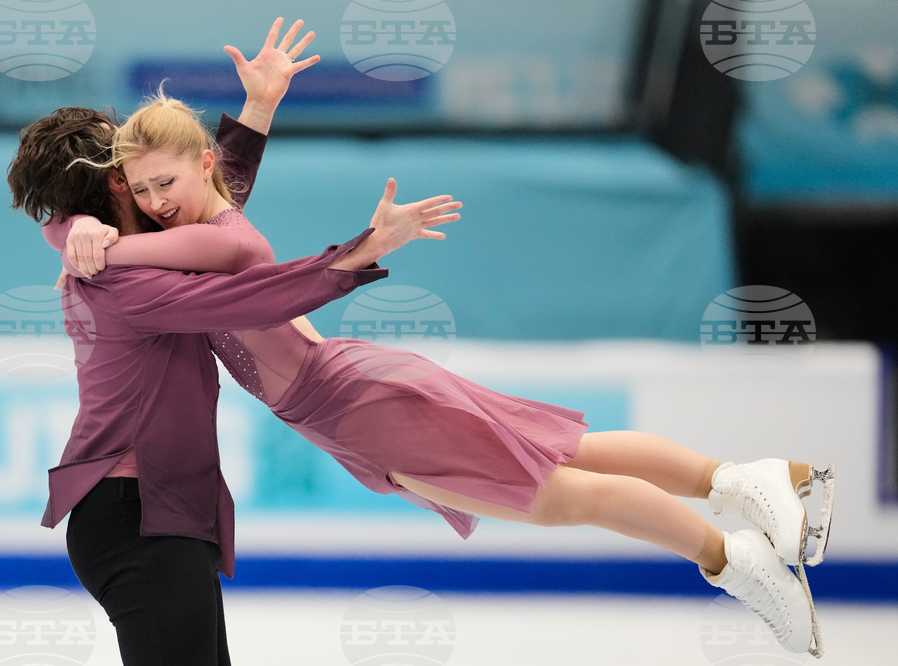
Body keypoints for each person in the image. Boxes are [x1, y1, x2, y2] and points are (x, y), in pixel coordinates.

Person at [55, 88, 836, 658]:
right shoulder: (198, 216)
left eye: (166, 184)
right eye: (144, 189)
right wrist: (252, 114)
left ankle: (731, 561)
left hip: (361, 405)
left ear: (198, 167)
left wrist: (84, 235)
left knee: (560, 494)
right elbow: (215, 190)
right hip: (359, 391)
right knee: (570, 450)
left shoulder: (212, 239)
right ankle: (763, 479)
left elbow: (238, 257)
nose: (156, 204)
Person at [9, 19, 459, 666]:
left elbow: (212, 197)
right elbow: (252, 289)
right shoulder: (127, 283)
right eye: (131, 166)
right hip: (135, 519)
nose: (150, 175)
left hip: (156, 514)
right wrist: (367, 249)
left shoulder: (137, 251)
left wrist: (259, 106)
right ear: (115, 186)